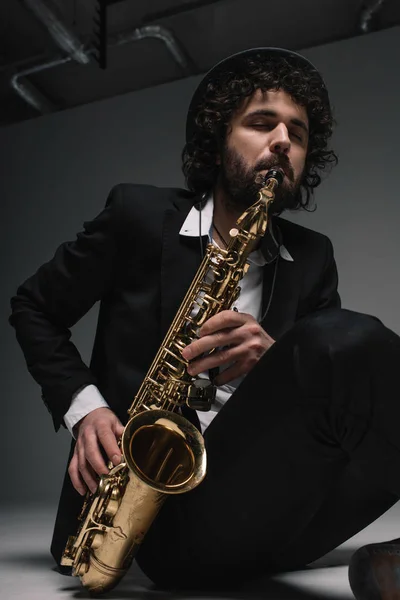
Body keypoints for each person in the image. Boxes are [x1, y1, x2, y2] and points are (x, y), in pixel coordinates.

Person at [9, 47, 400, 599]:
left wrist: (278, 362)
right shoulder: (137, 218)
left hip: (271, 512)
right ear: (218, 141)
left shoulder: (313, 256)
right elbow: (34, 307)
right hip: (151, 521)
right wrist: (86, 409)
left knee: (357, 347)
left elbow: (336, 394)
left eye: (299, 133)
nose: (283, 142)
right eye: (262, 124)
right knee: (343, 339)